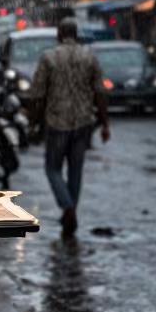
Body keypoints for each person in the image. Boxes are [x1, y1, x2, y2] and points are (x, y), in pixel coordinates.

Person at [28, 16, 110, 237]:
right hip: (83, 122)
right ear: (76, 35)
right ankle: (70, 210)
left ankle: (68, 207)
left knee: (52, 168)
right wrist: (105, 124)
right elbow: (100, 93)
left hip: (57, 122)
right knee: (76, 170)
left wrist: (33, 122)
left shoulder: (49, 58)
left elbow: (37, 94)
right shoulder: (89, 57)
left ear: (59, 35)